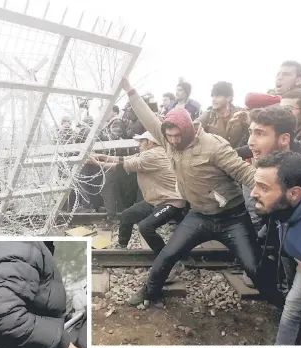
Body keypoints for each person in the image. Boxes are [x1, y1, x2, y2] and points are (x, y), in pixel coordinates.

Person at [121, 77, 282, 307]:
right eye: (170, 136)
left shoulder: (213, 145)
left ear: (188, 129)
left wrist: (270, 192)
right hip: (198, 215)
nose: (174, 141)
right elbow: (148, 118)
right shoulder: (168, 139)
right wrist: (130, 91)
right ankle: (150, 292)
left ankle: (281, 304)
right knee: (167, 255)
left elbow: (242, 172)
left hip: (232, 217)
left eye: (178, 136)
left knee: (253, 266)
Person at [251, 151, 301, 344]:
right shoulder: (294, 200)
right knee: (294, 305)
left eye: (263, 187)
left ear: (294, 193)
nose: (254, 192)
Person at [87, 131, 185, 254]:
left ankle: (165, 257)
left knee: (145, 227)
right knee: (127, 215)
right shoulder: (148, 153)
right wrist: (102, 156)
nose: (138, 143)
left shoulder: (152, 156)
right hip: (156, 200)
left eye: (141, 141)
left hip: (171, 202)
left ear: (151, 142)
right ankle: (122, 247)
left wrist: (96, 163)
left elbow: (121, 166)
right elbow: (123, 159)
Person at [198, 81, 249, 148]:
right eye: (212, 96)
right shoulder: (209, 115)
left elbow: (251, 129)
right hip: (213, 156)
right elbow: (192, 127)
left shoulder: (240, 113)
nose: (213, 99)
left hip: (237, 155)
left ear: (228, 98)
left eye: (217, 96)